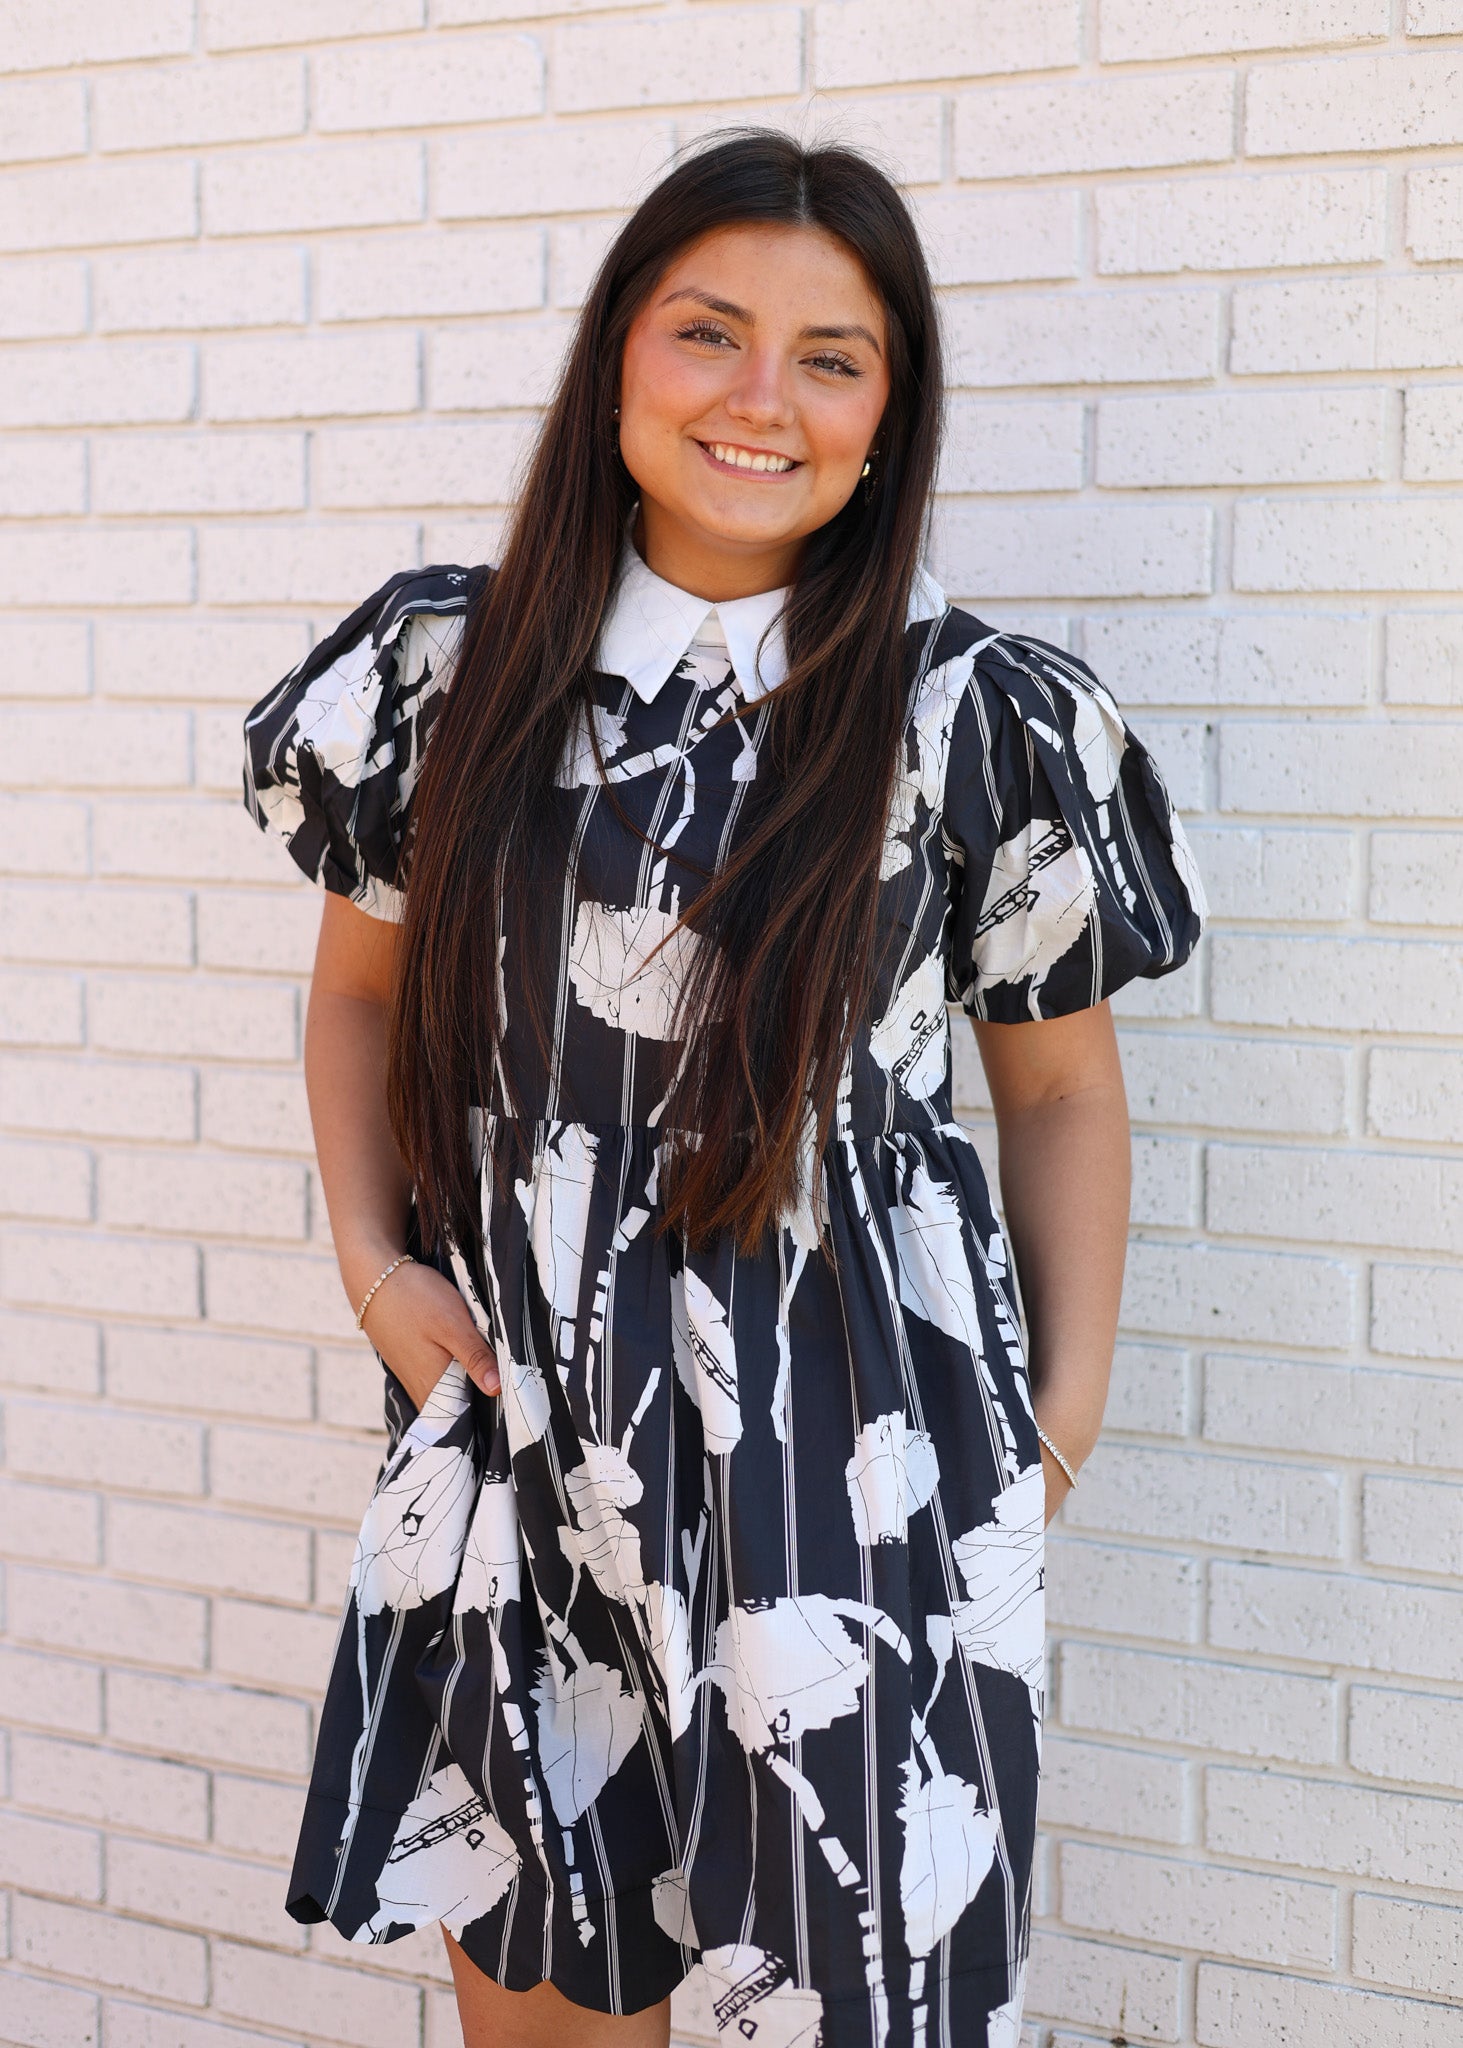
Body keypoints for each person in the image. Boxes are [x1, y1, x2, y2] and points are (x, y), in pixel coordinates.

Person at [242, 129, 1204, 2048]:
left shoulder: (982, 720)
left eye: (832, 357)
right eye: (710, 333)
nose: (762, 398)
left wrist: (1050, 1436)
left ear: (884, 418)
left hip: (869, 1490)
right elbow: (356, 998)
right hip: (529, 1456)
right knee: (545, 2016)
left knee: (854, 2011)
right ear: (618, 360)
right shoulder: (448, 672)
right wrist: (372, 1268)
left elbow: (1065, 1099)